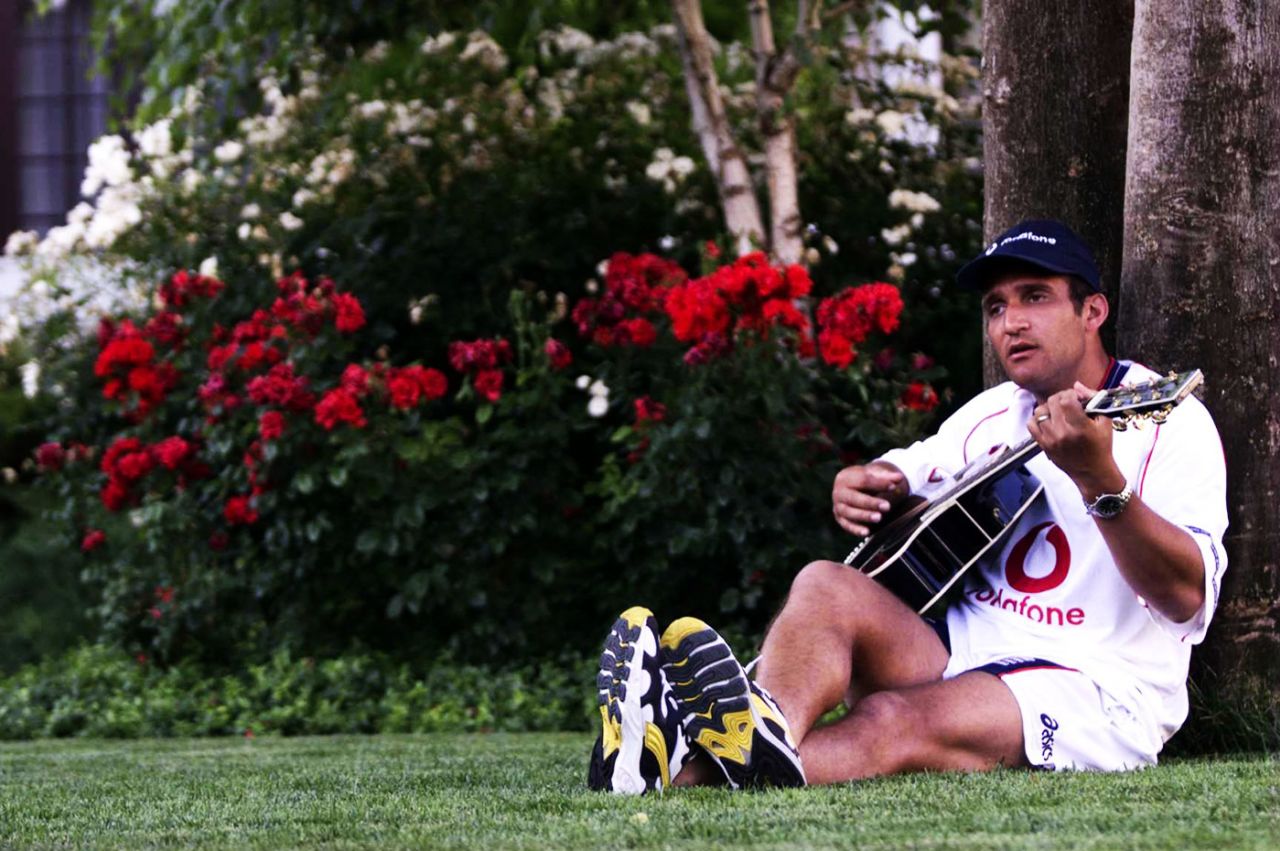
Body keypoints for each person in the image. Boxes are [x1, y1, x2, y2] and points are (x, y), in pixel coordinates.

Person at [587, 219, 1228, 793]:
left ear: (1092, 311)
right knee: (824, 584)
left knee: (893, 720)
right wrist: (864, 484)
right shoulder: (990, 413)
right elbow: (902, 477)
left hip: (1097, 685)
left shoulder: (1171, 421)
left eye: (1035, 297)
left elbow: (1184, 598)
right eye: (995, 307)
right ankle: (757, 730)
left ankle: (674, 767)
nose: (1011, 322)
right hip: (965, 653)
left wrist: (1099, 481)